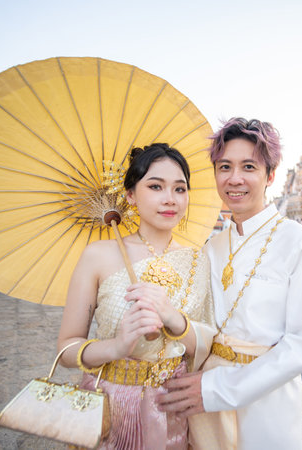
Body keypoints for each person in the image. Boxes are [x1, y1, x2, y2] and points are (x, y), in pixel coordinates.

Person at [158, 118, 302, 449]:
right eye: (225, 167)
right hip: (203, 399)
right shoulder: (212, 247)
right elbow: (200, 323)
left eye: (248, 166)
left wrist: (219, 390)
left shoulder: (298, 242)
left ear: (271, 176)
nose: (234, 178)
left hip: (267, 406)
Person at [57, 143, 215, 449]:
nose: (170, 199)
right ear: (130, 195)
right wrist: (115, 347)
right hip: (112, 403)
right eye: (156, 186)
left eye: (180, 189)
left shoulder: (199, 260)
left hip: (176, 405)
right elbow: (66, 350)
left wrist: (174, 319)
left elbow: (208, 345)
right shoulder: (98, 255)